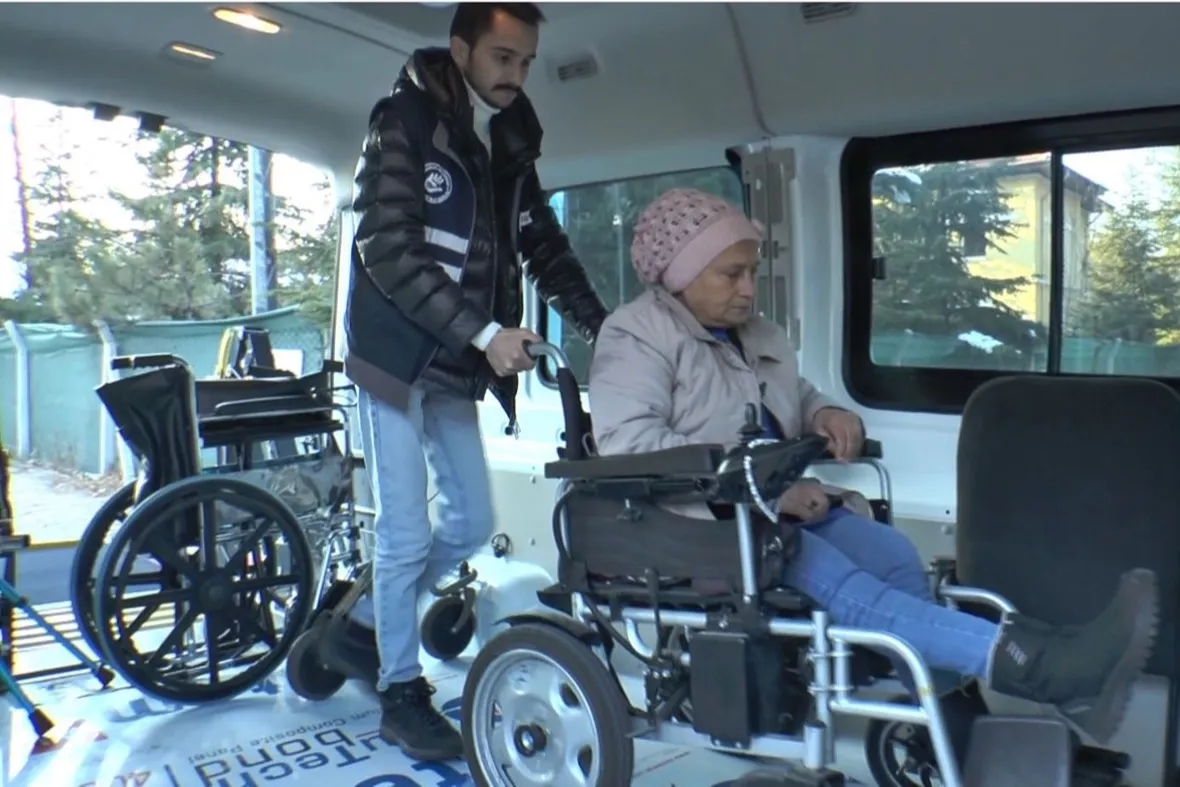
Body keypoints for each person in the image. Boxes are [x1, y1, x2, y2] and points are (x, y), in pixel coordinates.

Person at [586, 187, 1158, 752]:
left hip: (773, 508)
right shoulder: (636, 335)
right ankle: (1049, 670)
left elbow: (793, 396)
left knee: (893, 553)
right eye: (731, 275)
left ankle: (950, 724)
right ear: (681, 275)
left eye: (752, 272)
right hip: (694, 525)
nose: (748, 289)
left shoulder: (756, 333)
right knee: (852, 589)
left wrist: (826, 413)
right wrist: (767, 491)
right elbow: (630, 445)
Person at [344, 2, 607, 762]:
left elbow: (540, 242)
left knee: (467, 522)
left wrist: (603, 326)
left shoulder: (513, 136)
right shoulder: (404, 120)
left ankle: (365, 623)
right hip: (395, 356)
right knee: (404, 532)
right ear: (460, 50)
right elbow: (386, 246)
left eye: (525, 62)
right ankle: (401, 692)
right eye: (502, 57)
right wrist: (487, 334)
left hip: (455, 361)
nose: (515, 75)